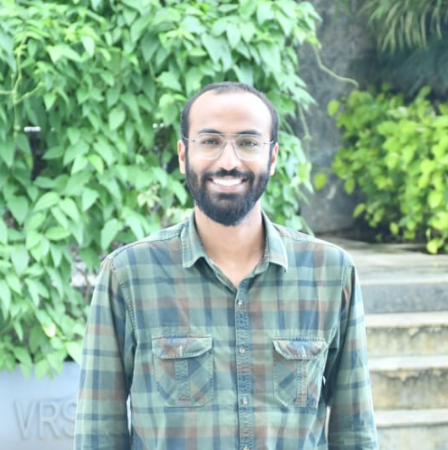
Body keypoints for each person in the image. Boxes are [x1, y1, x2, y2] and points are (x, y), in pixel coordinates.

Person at [74, 82, 378, 450]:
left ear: (273, 157)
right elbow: (98, 434)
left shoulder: (329, 272)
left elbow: (355, 433)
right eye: (210, 141)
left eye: (248, 142)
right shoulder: (129, 274)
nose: (229, 161)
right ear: (184, 155)